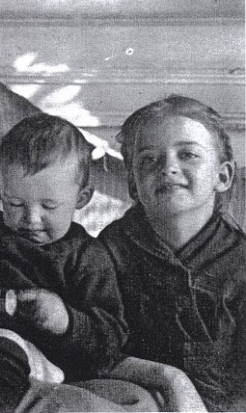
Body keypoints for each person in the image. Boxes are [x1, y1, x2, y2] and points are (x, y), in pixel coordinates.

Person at [0, 114, 157, 412]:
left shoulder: (87, 257)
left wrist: (65, 321)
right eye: (15, 204)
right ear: (0, 189)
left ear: (82, 198)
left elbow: (109, 340)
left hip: (30, 364)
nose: (31, 218)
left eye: (48, 206)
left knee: (1, 343)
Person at [98, 95, 245, 411]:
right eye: (149, 159)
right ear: (133, 184)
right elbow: (90, 348)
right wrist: (170, 378)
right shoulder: (108, 251)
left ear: (222, 176)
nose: (168, 168)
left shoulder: (241, 263)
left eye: (188, 154)